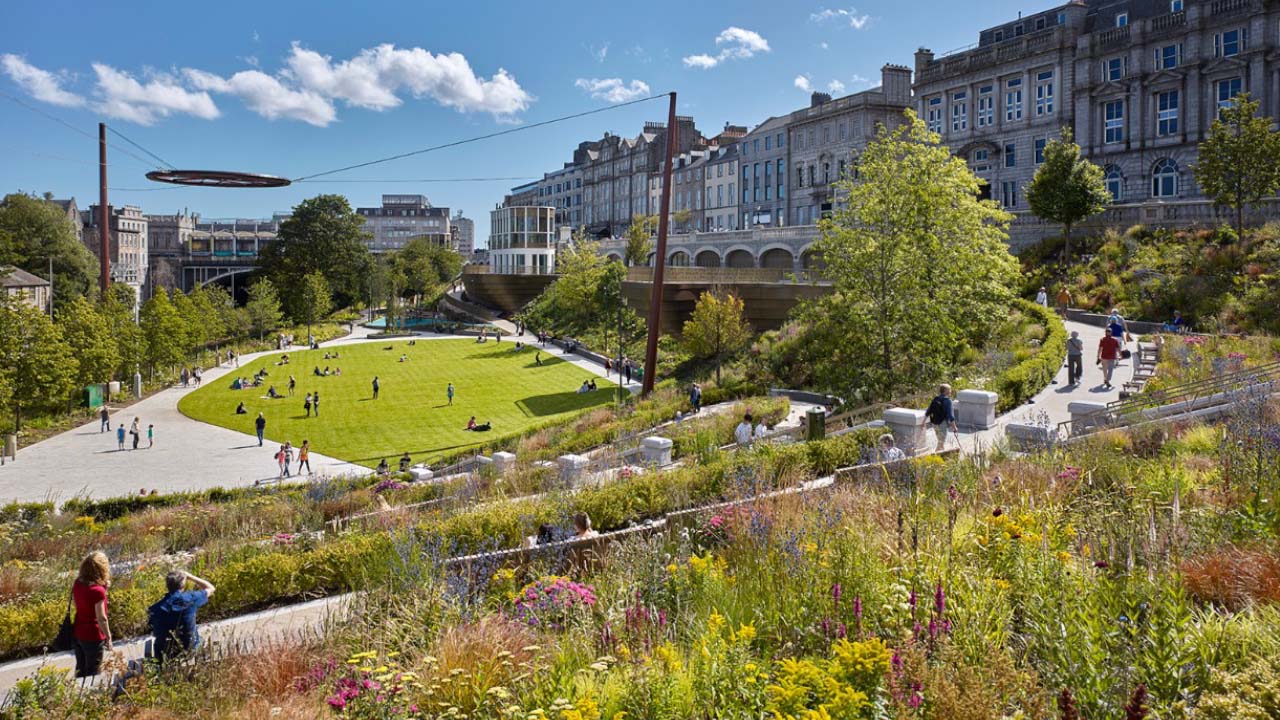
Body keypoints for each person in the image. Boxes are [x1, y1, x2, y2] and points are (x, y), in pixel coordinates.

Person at [148, 570, 215, 664]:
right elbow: (211, 588)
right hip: (189, 648)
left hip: (164, 652)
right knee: (206, 633)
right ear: (183, 585)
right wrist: (190, 576)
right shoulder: (191, 598)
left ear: (167, 586)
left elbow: (152, 629)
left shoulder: (155, 608)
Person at [71, 551, 112, 677]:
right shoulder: (98, 592)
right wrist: (108, 637)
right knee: (93, 671)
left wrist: (104, 588)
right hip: (93, 635)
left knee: (80, 668)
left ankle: (77, 694)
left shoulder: (78, 583)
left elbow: (78, 603)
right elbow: (101, 618)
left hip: (78, 631)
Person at [925, 384, 958, 451]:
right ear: (945, 391)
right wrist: (954, 427)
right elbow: (951, 415)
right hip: (942, 423)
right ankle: (936, 456)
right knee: (941, 442)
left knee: (940, 441)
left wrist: (923, 422)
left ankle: (941, 455)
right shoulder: (948, 401)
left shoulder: (936, 399)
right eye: (950, 389)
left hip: (934, 423)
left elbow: (928, 411)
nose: (951, 391)